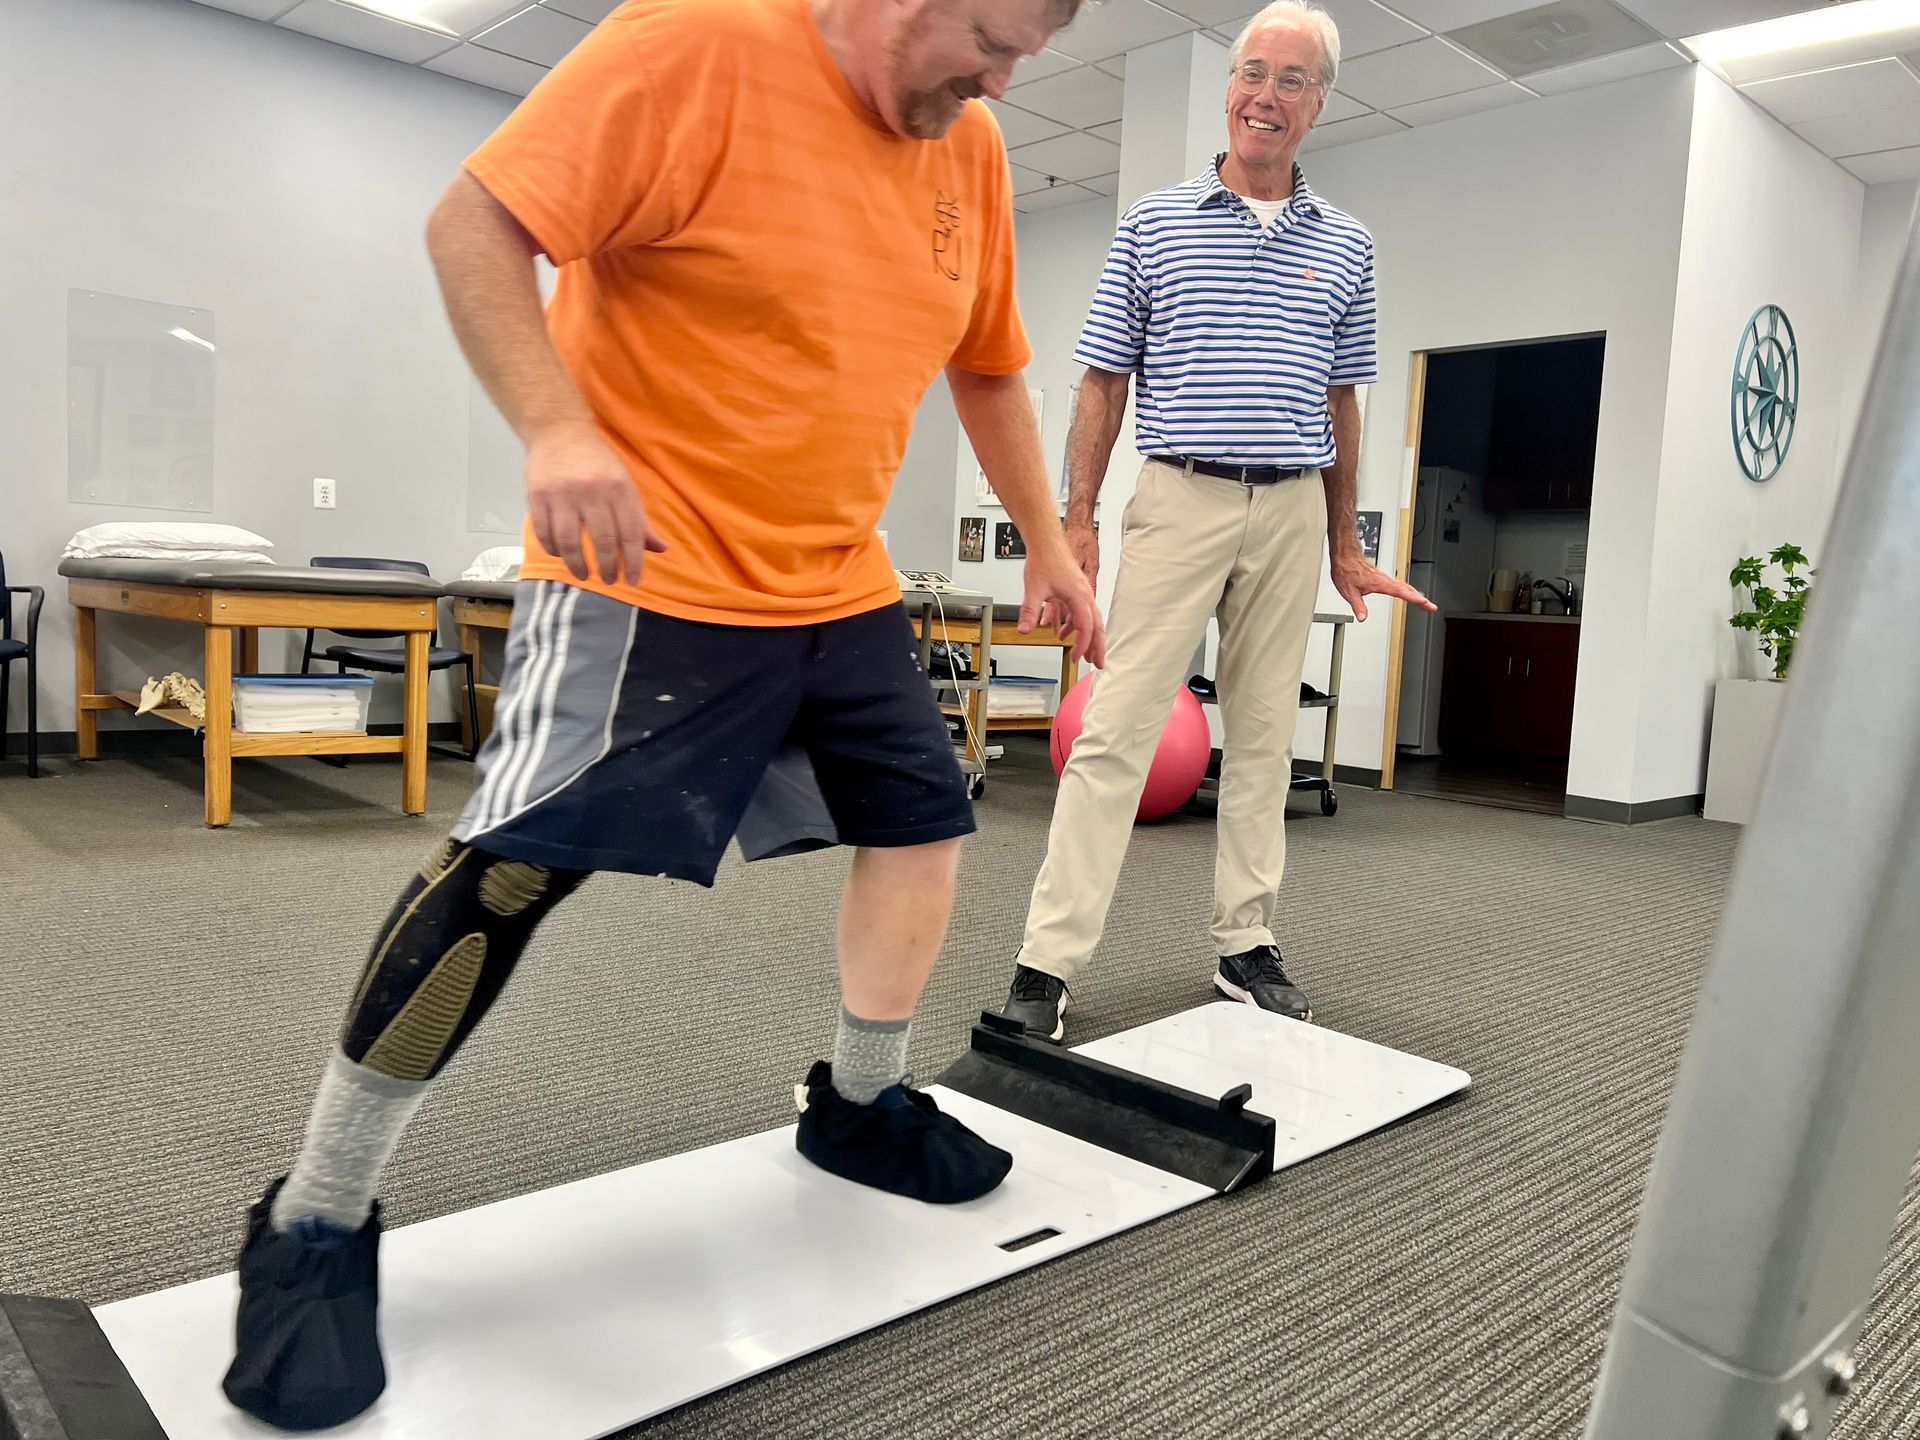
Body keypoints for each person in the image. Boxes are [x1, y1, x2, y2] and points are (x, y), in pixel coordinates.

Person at [219, 0, 1105, 1428]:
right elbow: (474, 224)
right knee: (508, 875)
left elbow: (988, 363)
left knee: (925, 824)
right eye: (990, 41)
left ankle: (861, 1102)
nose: (1001, 82)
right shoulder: (691, 43)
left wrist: (1054, 549)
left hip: (839, 577)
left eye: (1026, 59)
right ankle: (316, 1220)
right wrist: (559, 427)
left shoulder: (973, 148)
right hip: (649, 573)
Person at [998, 0, 1431, 1045]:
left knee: (1266, 740)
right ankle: (1045, 964)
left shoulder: (1351, 246)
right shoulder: (1154, 221)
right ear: (1229, 90)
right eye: (1252, 73)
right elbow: (1102, 382)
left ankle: (1245, 943)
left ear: (1319, 104)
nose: (1265, 97)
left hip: (1288, 507)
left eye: (1290, 79)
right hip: (1179, 495)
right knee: (1116, 731)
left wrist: (1345, 544)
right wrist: (1075, 526)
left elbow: (1342, 403)